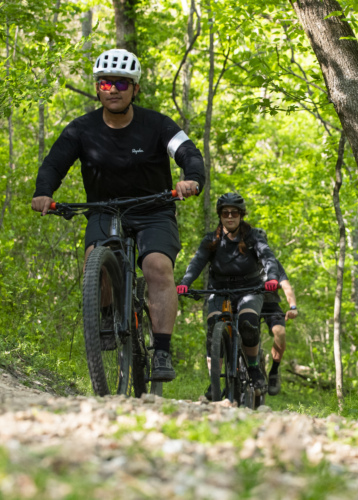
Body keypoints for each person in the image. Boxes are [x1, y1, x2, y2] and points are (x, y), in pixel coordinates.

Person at [31, 48, 204, 382]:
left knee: (157, 267)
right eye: (106, 82)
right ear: (97, 88)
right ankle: (108, 316)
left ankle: (162, 351)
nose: (113, 89)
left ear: (135, 89)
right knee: (95, 258)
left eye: (122, 84)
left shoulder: (158, 125)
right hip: (104, 209)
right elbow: (54, 163)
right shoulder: (80, 130)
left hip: (154, 210)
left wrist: (192, 179)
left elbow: (189, 153)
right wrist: (44, 192)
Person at [176, 193, 279, 394]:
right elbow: (197, 262)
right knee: (213, 326)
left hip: (249, 289)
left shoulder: (252, 237)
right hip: (219, 290)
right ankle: (214, 381)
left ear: (241, 215)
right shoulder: (211, 239)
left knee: (248, 323)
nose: (230, 217)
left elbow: (268, 257)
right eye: (225, 213)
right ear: (220, 216)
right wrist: (186, 282)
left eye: (234, 213)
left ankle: (253, 368)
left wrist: (272, 277)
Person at [260, 259, 297, 396]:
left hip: (270, 303)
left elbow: (286, 286)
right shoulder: (238, 258)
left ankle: (274, 371)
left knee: (280, 332)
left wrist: (293, 307)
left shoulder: (271, 262)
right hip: (245, 302)